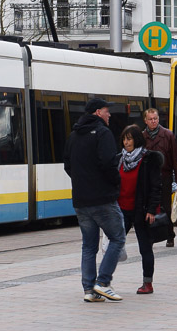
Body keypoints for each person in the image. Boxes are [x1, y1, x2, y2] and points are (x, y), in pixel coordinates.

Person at [64, 98, 125, 303]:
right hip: (103, 198)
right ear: (98, 112)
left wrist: (83, 182)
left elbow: (67, 166)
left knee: (88, 246)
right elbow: (109, 163)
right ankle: (103, 282)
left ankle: (89, 290)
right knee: (117, 238)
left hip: (81, 200)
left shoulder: (73, 135)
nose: (109, 115)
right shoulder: (103, 133)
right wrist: (116, 184)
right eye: (107, 111)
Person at [117, 124, 162, 294]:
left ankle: (147, 283)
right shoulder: (119, 159)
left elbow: (155, 186)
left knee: (145, 248)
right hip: (121, 210)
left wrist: (151, 209)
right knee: (113, 246)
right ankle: (104, 281)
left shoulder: (148, 159)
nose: (126, 142)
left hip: (141, 211)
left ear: (137, 140)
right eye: (124, 139)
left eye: (129, 139)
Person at [142, 107, 177, 247]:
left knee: (166, 206)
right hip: (148, 177)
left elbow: (176, 157)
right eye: (150, 119)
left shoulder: (168, 135)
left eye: (155, 119)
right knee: (149, 207)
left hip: (164, 176)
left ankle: (170, 235)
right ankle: (151, 235)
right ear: (145, 120)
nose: (153, 121)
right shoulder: (142, 136)